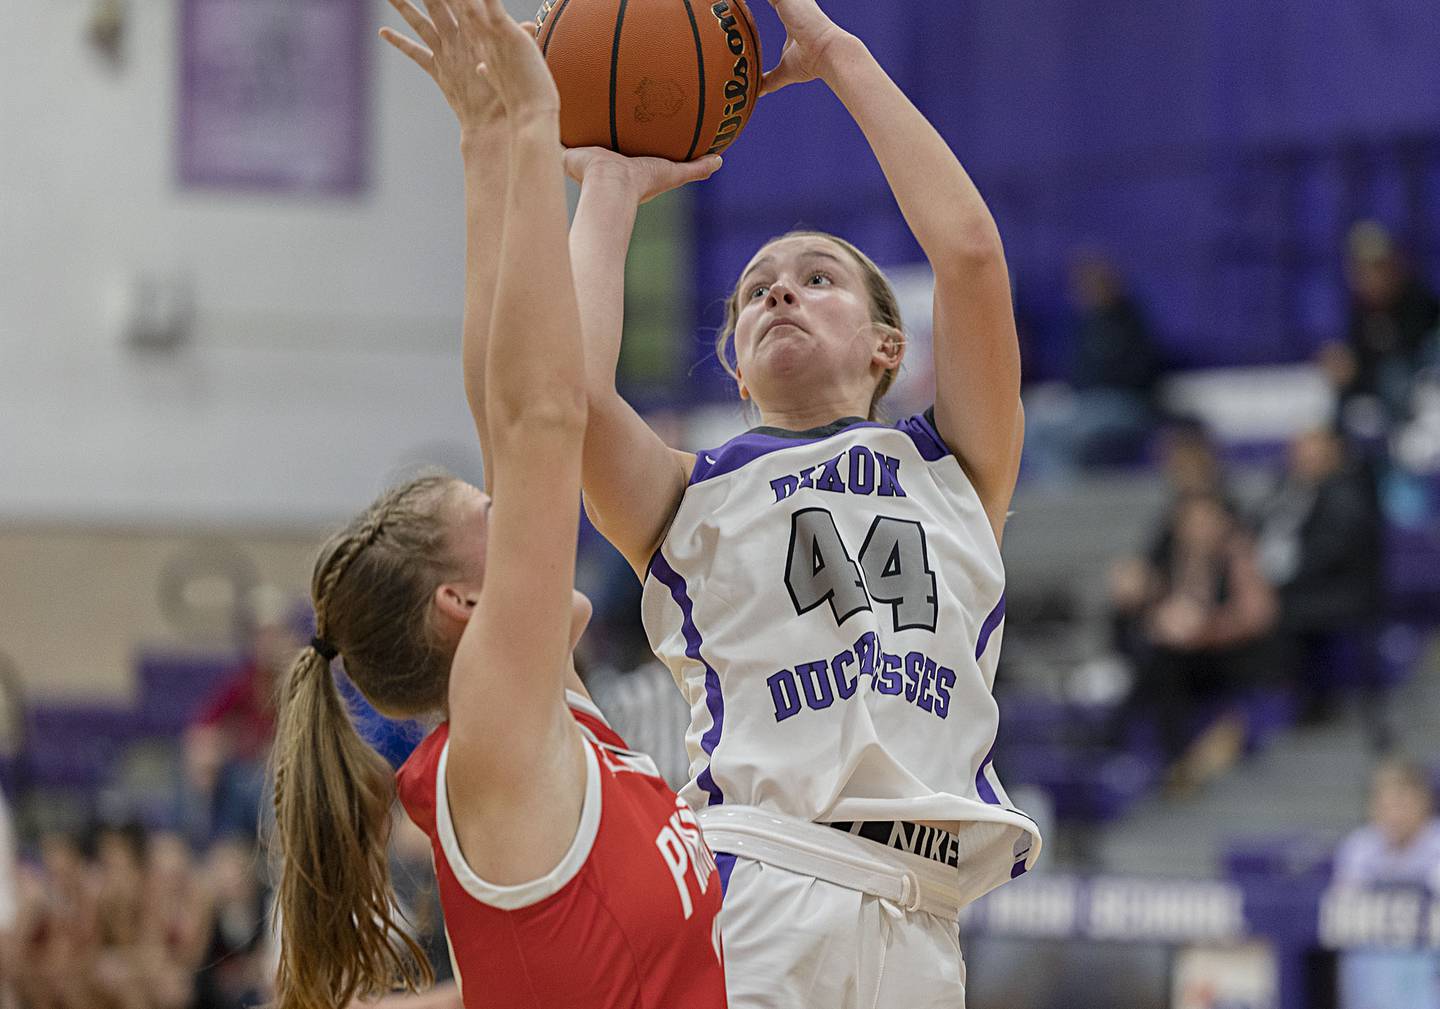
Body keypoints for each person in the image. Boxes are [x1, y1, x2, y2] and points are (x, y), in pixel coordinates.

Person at [565, 0, 1041, 1003]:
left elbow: (970, 255)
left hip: (921, 915)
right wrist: (607, 188)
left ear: (888, 345)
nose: (778, 292)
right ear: (737, 366)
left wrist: (843, 60)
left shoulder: (958, 464)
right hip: (757, 881)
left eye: (817, 278)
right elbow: (563, 398)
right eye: (752, 292)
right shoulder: (686, 491)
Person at [269, 2, 727, 1007]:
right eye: (494, 509)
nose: (516, 501)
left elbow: (501, 391)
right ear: (462, 607)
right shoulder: (497, 725)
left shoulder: (537, 718)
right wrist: (531, 126)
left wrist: (505, 154)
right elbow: (540, 415)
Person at [1332, 759, 1440, 1009]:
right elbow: (1342, 906)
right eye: (1384, 805)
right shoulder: (1359, 845)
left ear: (1423, 803)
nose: (1393, 815)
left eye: (1402, 803)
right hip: (1374, 970)